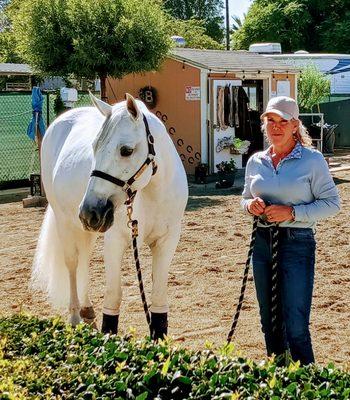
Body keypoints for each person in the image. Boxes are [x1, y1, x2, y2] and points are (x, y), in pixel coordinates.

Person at [241, 96, 341, 365]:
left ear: (295, 125)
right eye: (270, 121)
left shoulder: (312, 160)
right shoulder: (256, 161)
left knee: (295, 325)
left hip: (297, 243)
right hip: (262, 243)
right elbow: (244, 199)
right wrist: (251, 205)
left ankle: (308, 383)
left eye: (282, 121)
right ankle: (279, 379)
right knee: (270, 322)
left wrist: (292, 212)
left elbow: (333, 203)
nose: (275, 127)